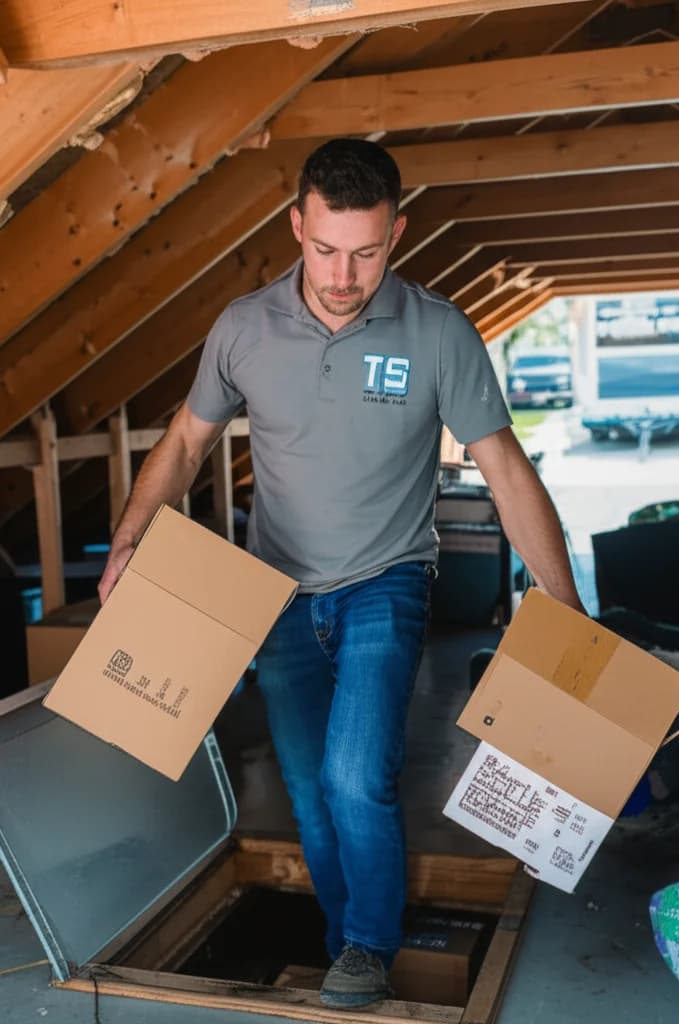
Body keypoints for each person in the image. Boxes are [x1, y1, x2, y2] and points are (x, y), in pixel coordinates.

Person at [98, 138, 585, 1008]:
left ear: (397, 231)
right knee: (312, 795)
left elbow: (506, 469)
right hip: (276, 594)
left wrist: (566, 608)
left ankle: (367, 943)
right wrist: (130, 536)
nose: (342, 273)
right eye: (325, 248)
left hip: (387, 581)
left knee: (356, 773)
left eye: (366, 251)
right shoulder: (243, 329)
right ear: (297, 225)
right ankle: (339, 947)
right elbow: (183, 441)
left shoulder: (439, 333)